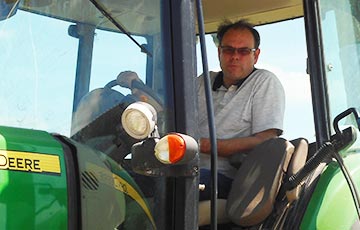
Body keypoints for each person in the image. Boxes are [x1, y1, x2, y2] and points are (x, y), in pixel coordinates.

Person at [197, 19, 285, 201]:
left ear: (256, 55)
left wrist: (203, 146)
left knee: (176, 184)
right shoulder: (202, 82)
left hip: (230, 179)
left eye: (243, 51)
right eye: (228, 50)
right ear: (219, 52)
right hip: (184, 165)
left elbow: (266, 139)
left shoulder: (263, 82)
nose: (235, 56)